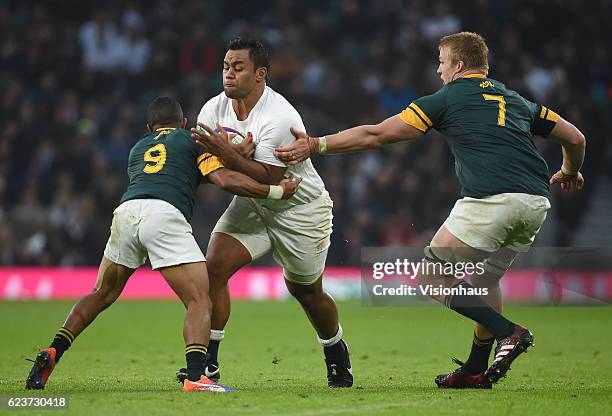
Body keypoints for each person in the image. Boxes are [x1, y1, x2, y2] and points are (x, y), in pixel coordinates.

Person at [274, 32, 586, 388]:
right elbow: (575, 138)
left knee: (431, 277)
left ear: (459, 65)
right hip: (535, 202)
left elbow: (378, 134)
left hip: (491, 201)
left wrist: (317, 144)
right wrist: (571, 171)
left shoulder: (447, 98)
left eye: (441, 61)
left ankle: (509, 332)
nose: (438, 70)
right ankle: (474, 370)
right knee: (484, 283)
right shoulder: (516, 100)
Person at [25, 96, 300, 392]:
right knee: (200, 299)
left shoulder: (138, 148)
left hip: (127, 213)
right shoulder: (191, 138)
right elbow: (221, 179)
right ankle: (197, 377)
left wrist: (232, 153)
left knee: (101, 292)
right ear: (183, 123)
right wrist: (274, 191)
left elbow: (180, 172)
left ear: (149, 127)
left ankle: (53, 351)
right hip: (164, 215)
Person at [188, 38, 353, 388]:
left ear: (260, 74)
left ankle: (336, 349)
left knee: (306, 292)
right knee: (213, 269)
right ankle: (209, 364)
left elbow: (272, 177)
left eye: (238, 67)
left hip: (300, 209)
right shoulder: (211, 110)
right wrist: (233, 161)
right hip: (254, 203)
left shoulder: (279, 116)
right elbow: (219, 174)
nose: (229, 74)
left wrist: (231, 156)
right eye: (225, 66)